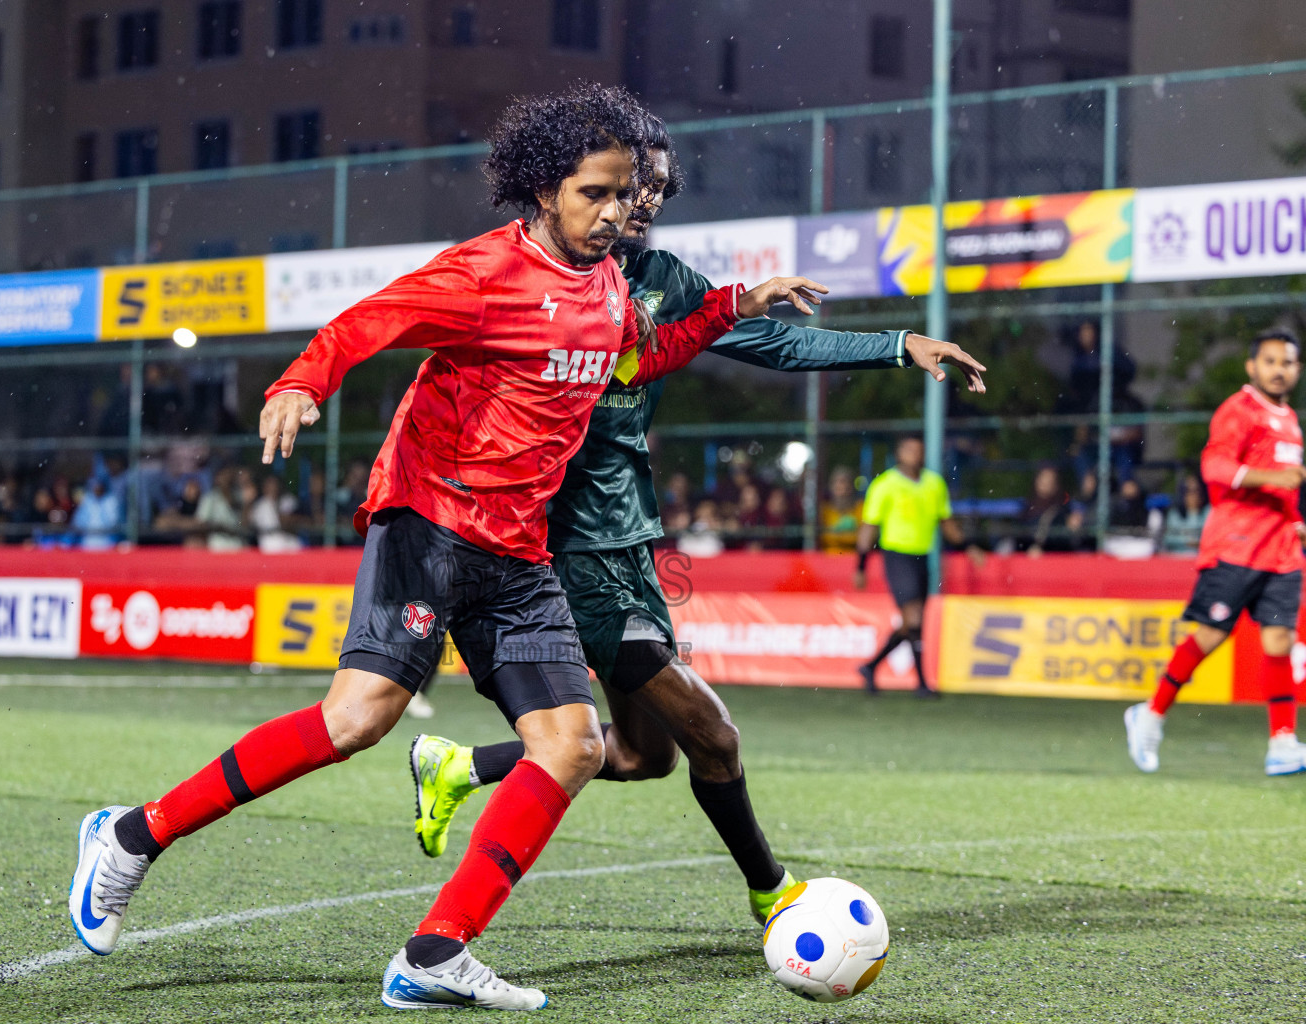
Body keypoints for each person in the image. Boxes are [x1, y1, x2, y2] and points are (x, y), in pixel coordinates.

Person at [68, 83, 816, 1011]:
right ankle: (134, 836)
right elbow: (367, 322)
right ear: (544, 190)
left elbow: (640, 352)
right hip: (430, 520)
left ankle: (433, 954)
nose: (615, 213)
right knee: (356, 722)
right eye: (597, 194)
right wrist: (300, 383)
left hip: (521, 553)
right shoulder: (482, 274)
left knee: (574, 744)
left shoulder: (613, 289)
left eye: (626, 196)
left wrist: (743, 300)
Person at [404, 112, 986, 940]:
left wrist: (898, 345)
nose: (643, 200)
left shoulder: (664, 279)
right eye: (630, 181)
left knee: (645, 756)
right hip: (568, 550)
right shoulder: (534, 273)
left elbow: (773, 343)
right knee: (715, 735)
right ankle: (773, 895)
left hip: (630, 542)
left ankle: (458, 765)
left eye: (658, 189)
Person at [1125, 329, 1306, 777]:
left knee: (1279, 641)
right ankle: (1150, 714)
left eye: (1288, 362)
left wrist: (1294, 518)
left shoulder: (1289, 419)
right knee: (1209, 635)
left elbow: (1284, 485)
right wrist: (1270, 480)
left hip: (1282, 549)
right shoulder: (1239, 410)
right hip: (1237, 546)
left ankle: (1282, 743)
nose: (1279, 370)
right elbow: (1215, 466)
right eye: (1270, 361)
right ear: (1252, 367)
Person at [853, 436, 978, 697]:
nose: (915, 454)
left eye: (919, 450)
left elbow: (947, 523)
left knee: (914, 621)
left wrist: (969, 546)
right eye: (909, 449)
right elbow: (869, 527)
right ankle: (921, 684)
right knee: (914, 617)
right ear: (899, 453)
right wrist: (861, 565)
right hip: (897, 556)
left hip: (923, 557)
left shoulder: (934, 484)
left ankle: (871, 666)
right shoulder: (885, 484)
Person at [1161, 473, 1209, 555]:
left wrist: (1193, 512)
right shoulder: (1175, 513)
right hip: (1178, 557)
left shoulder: (1209, 511)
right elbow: (1168, 539)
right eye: (1188, 491)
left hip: (1202, 555)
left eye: (1196, 490)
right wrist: (1187, 542)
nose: (1193, 495)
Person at [819, 465, 861, 553]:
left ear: (852, 486)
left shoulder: (860, 508)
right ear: (831, 486)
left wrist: (836, 534)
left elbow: (864, 537)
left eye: (845, 482)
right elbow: (823, 537)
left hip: (853, 557)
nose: (843, 487)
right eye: (838, 482)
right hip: (828, 558)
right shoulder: (824, 510)